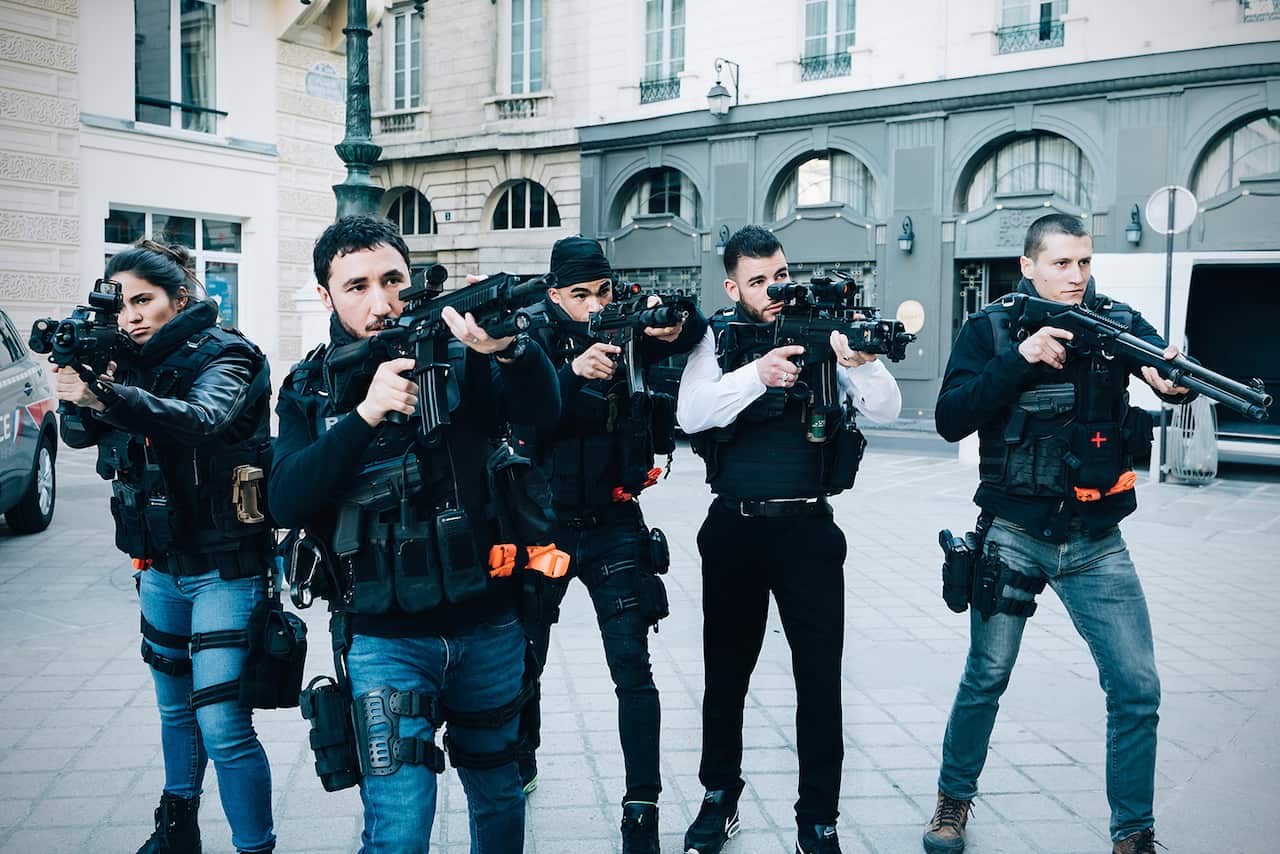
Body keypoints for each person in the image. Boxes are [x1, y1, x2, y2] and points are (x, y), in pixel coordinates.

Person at [269, 215, 561, 854]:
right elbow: (284, 496)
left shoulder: (460, 356)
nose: (381, 302)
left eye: (393, 279)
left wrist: (510, 350)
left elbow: (544, 412)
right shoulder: (309, 386)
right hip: (383, 637)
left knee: (501, 800)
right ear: (326, 296)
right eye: (357, 286)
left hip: (489, 624)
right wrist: (365, 414)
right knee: (400, 823)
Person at [921, 214, 1190, 854]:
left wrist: (1168, 380)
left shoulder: (1116, 322)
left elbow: (1164, 373)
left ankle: (1134, 834)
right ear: (1029, 266)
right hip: (1012, 533)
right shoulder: (989, 328)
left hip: (1096, 540)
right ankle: (952, 803)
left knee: (1136, 687)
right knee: (985, 677)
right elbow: (950, 418)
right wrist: (1018, 359)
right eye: (1062, 264)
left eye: (1085, 263)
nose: (1076, 277)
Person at [677, 225, 902, 854]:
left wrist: (861, 360)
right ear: (732, 287)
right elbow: (690, 413)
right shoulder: (717, 339)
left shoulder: (824, 330)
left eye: (779, 275)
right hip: (734, 527)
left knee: (818, 682)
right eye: (757, 281)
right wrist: (758, 373)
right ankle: (719, 798)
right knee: (726, 676)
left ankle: (818, 820)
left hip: (808, 528)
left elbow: (885, 410)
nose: (774, 290)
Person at [55, 239, 277, 854]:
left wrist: (106, 392)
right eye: (119, 304)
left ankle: (254, 846)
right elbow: (77, 435)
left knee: (223, 722)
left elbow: (203, 419)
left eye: (144, 300)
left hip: (226, 568)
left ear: (179, 298)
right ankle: (177, 832)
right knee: (175, 711)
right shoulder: (127, 363)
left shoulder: (229, 354)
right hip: (158, 567)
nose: (129, 315)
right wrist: (85, 382)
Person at [513, 235, 708, 853]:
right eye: (580, 295)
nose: (594, 304)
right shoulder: (530, 340)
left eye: (602, 291)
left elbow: (694, 329)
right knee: (526, 657)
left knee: (633, 667)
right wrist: (569, 375)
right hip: (543, 526)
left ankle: (641, 806)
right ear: (553, 295)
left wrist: (666, 320)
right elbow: (520, 419)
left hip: (616, 521)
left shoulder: (624, 328)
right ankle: (522, 760)